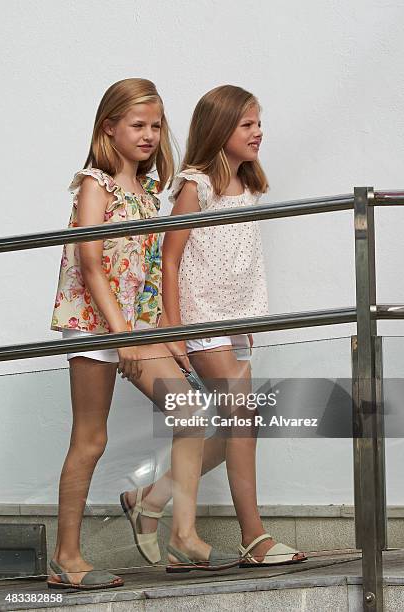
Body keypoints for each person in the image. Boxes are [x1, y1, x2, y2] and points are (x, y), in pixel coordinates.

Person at [49, 79, 237, 590]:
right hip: (94, 325)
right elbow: (91, 265)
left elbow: (148, 270)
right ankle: (66, 557)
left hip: (137, 324)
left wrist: (163, 335)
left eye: (156, 126)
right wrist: (123, 337)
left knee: (191, 411)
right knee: (91, 438)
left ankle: (182, 536)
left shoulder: (150, 191)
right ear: (108, 127)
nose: (149, 135)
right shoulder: (95, 183)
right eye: (137, 125)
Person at [122, 84, 307, 568]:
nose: (258, 133)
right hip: (201, 318)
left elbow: (241, 262)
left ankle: (152, 498)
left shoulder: (246, 185)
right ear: (220, 129)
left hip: (236, 322)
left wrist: (247, 320)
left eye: (259, 123)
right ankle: (254, 537)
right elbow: (170, 257)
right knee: (241, 422)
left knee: (240, 424)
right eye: (247, 125)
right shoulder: (195, 184)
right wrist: (174, 329)